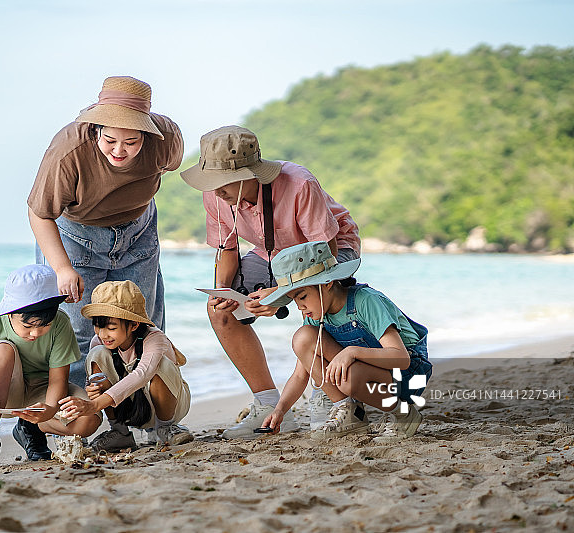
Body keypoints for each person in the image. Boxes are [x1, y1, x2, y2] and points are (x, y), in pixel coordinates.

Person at [180, 125, 361, 439]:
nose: (214, 190)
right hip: (271, 252)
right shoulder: (216, 196)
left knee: (315, 301)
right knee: (220, 311)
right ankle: (268, 404)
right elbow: (228, 248)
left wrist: (282, 293)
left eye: (220, 182)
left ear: (250, 175)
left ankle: (325, 390)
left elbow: (325, 256)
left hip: (331, 250)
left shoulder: (299, 184)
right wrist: (224, 292)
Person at [27, 76, 184, 387]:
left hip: (138, 233)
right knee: (78, 335)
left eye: (131, 142)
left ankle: (149, 425)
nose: (119, 152)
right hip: (75, 236)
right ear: (96, 128)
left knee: (139, 328)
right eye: (110, 140)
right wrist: (62, 268)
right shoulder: (68, 149)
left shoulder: (165, 138)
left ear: (146, 133)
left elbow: (169, 166)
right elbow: (39, 213)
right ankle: (73, 424)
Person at [259, 241, 432, 443]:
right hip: (369, 372)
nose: (300, 307)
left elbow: (401, 358)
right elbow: (300, 374)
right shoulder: (316, 316)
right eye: (295, 300)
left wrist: (352, 352)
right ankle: (349, 411)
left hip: (406, 373)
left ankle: (404, 414)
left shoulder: (366, 301)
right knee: (303, 337)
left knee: (348, 378)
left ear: (327, 283)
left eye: (303, 296)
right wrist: (280, 410)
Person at [0, 265, 102, 470]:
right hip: (3, 394)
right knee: (2, 350)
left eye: (43, 326)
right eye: (28, 326)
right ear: (10, 313)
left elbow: (58, 380)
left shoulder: (60, 323)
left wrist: (50, 409)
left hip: (42, 392)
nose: (35, 333)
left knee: (89, 420)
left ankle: (30, 428)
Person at [58, 280, 193, 451]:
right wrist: (92, 391)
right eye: (98, 327)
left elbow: (142, 374)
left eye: (111, 327)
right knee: (96, 354)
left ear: (134, 324)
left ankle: (166, 429)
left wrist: (95, 405)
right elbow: (95, 379)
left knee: (161, 365)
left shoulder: (155, 338)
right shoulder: (99, 342)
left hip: (167, 405)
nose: (103, 334)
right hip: (129, 406)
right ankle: (120, 431)